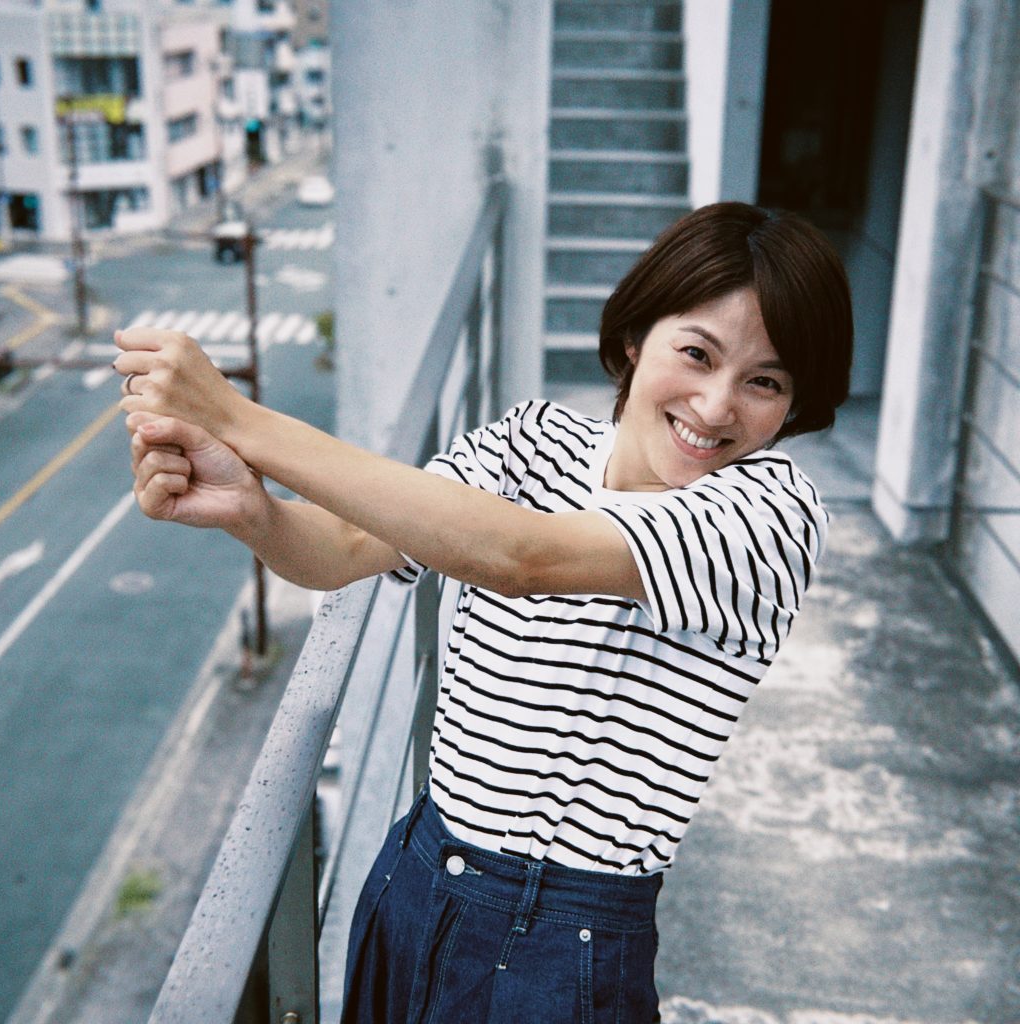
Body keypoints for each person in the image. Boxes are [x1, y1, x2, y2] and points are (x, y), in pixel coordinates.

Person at [115, 201, 852, 1023]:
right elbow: (348, 546)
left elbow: (520, 558)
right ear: (636, 337)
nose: (716, 407)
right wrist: (252, 513)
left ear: (794, 403)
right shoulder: (530, 441)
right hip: (416, 874)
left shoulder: (770, 513)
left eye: (764, 382)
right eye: (698, 354)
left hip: (565, 944)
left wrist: (238, 418)